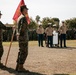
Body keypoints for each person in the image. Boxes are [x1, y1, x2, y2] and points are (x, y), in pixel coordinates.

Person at [16, 5, 29, 72]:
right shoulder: (23, 18)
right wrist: (21, 35)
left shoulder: (19, 18)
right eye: (26, 9)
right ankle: (20, 67)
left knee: (21, 52)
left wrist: (18, 35)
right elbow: (22, 28)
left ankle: (18, 66)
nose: (27, 10)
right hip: (23, 38)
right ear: (23, 9)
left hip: (21, 38)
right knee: (24, 52)